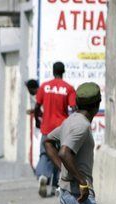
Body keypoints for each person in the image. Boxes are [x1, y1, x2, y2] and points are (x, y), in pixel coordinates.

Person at [34, 62, 76, 197]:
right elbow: (74, 108)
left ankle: (43, 176)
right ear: (63, 72)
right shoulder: (68, 88)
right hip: (61, 129)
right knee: (61, 156)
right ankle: (58, 185)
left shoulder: (44, 87)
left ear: (53, 71)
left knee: (45, 154)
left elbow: (37, 106)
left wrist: (37, 120)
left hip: (46, 127)